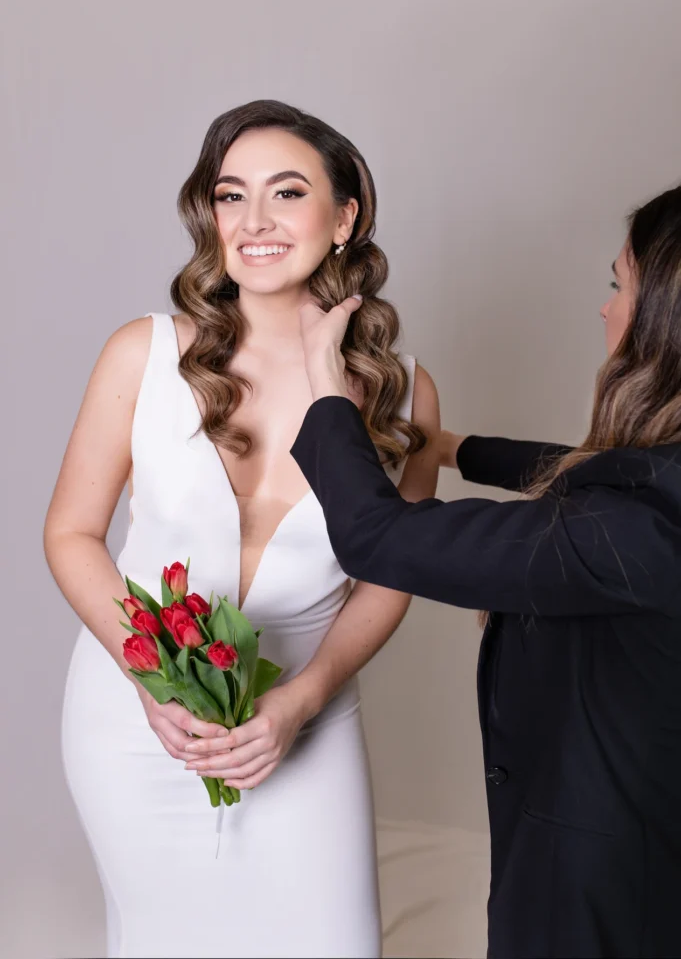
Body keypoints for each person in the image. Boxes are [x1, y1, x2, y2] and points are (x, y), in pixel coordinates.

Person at [44, 100, 441, 959]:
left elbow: (392, 574)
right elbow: (72, 532)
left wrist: (302, 699)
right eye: (230, 196)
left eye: (286, 193)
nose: (253, 222)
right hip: (137, 712)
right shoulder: (140, 354)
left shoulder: (402, 388)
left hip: (308, 708)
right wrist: (151, 679)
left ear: (343, 219)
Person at [290, 185, 681, 959]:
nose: (604, 310)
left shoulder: (627, 535)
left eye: (617, 285)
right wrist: (452, 447)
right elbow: (609, 474)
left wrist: (322, 392)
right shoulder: (654, 490)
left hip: (597, 882)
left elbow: (376, 538)